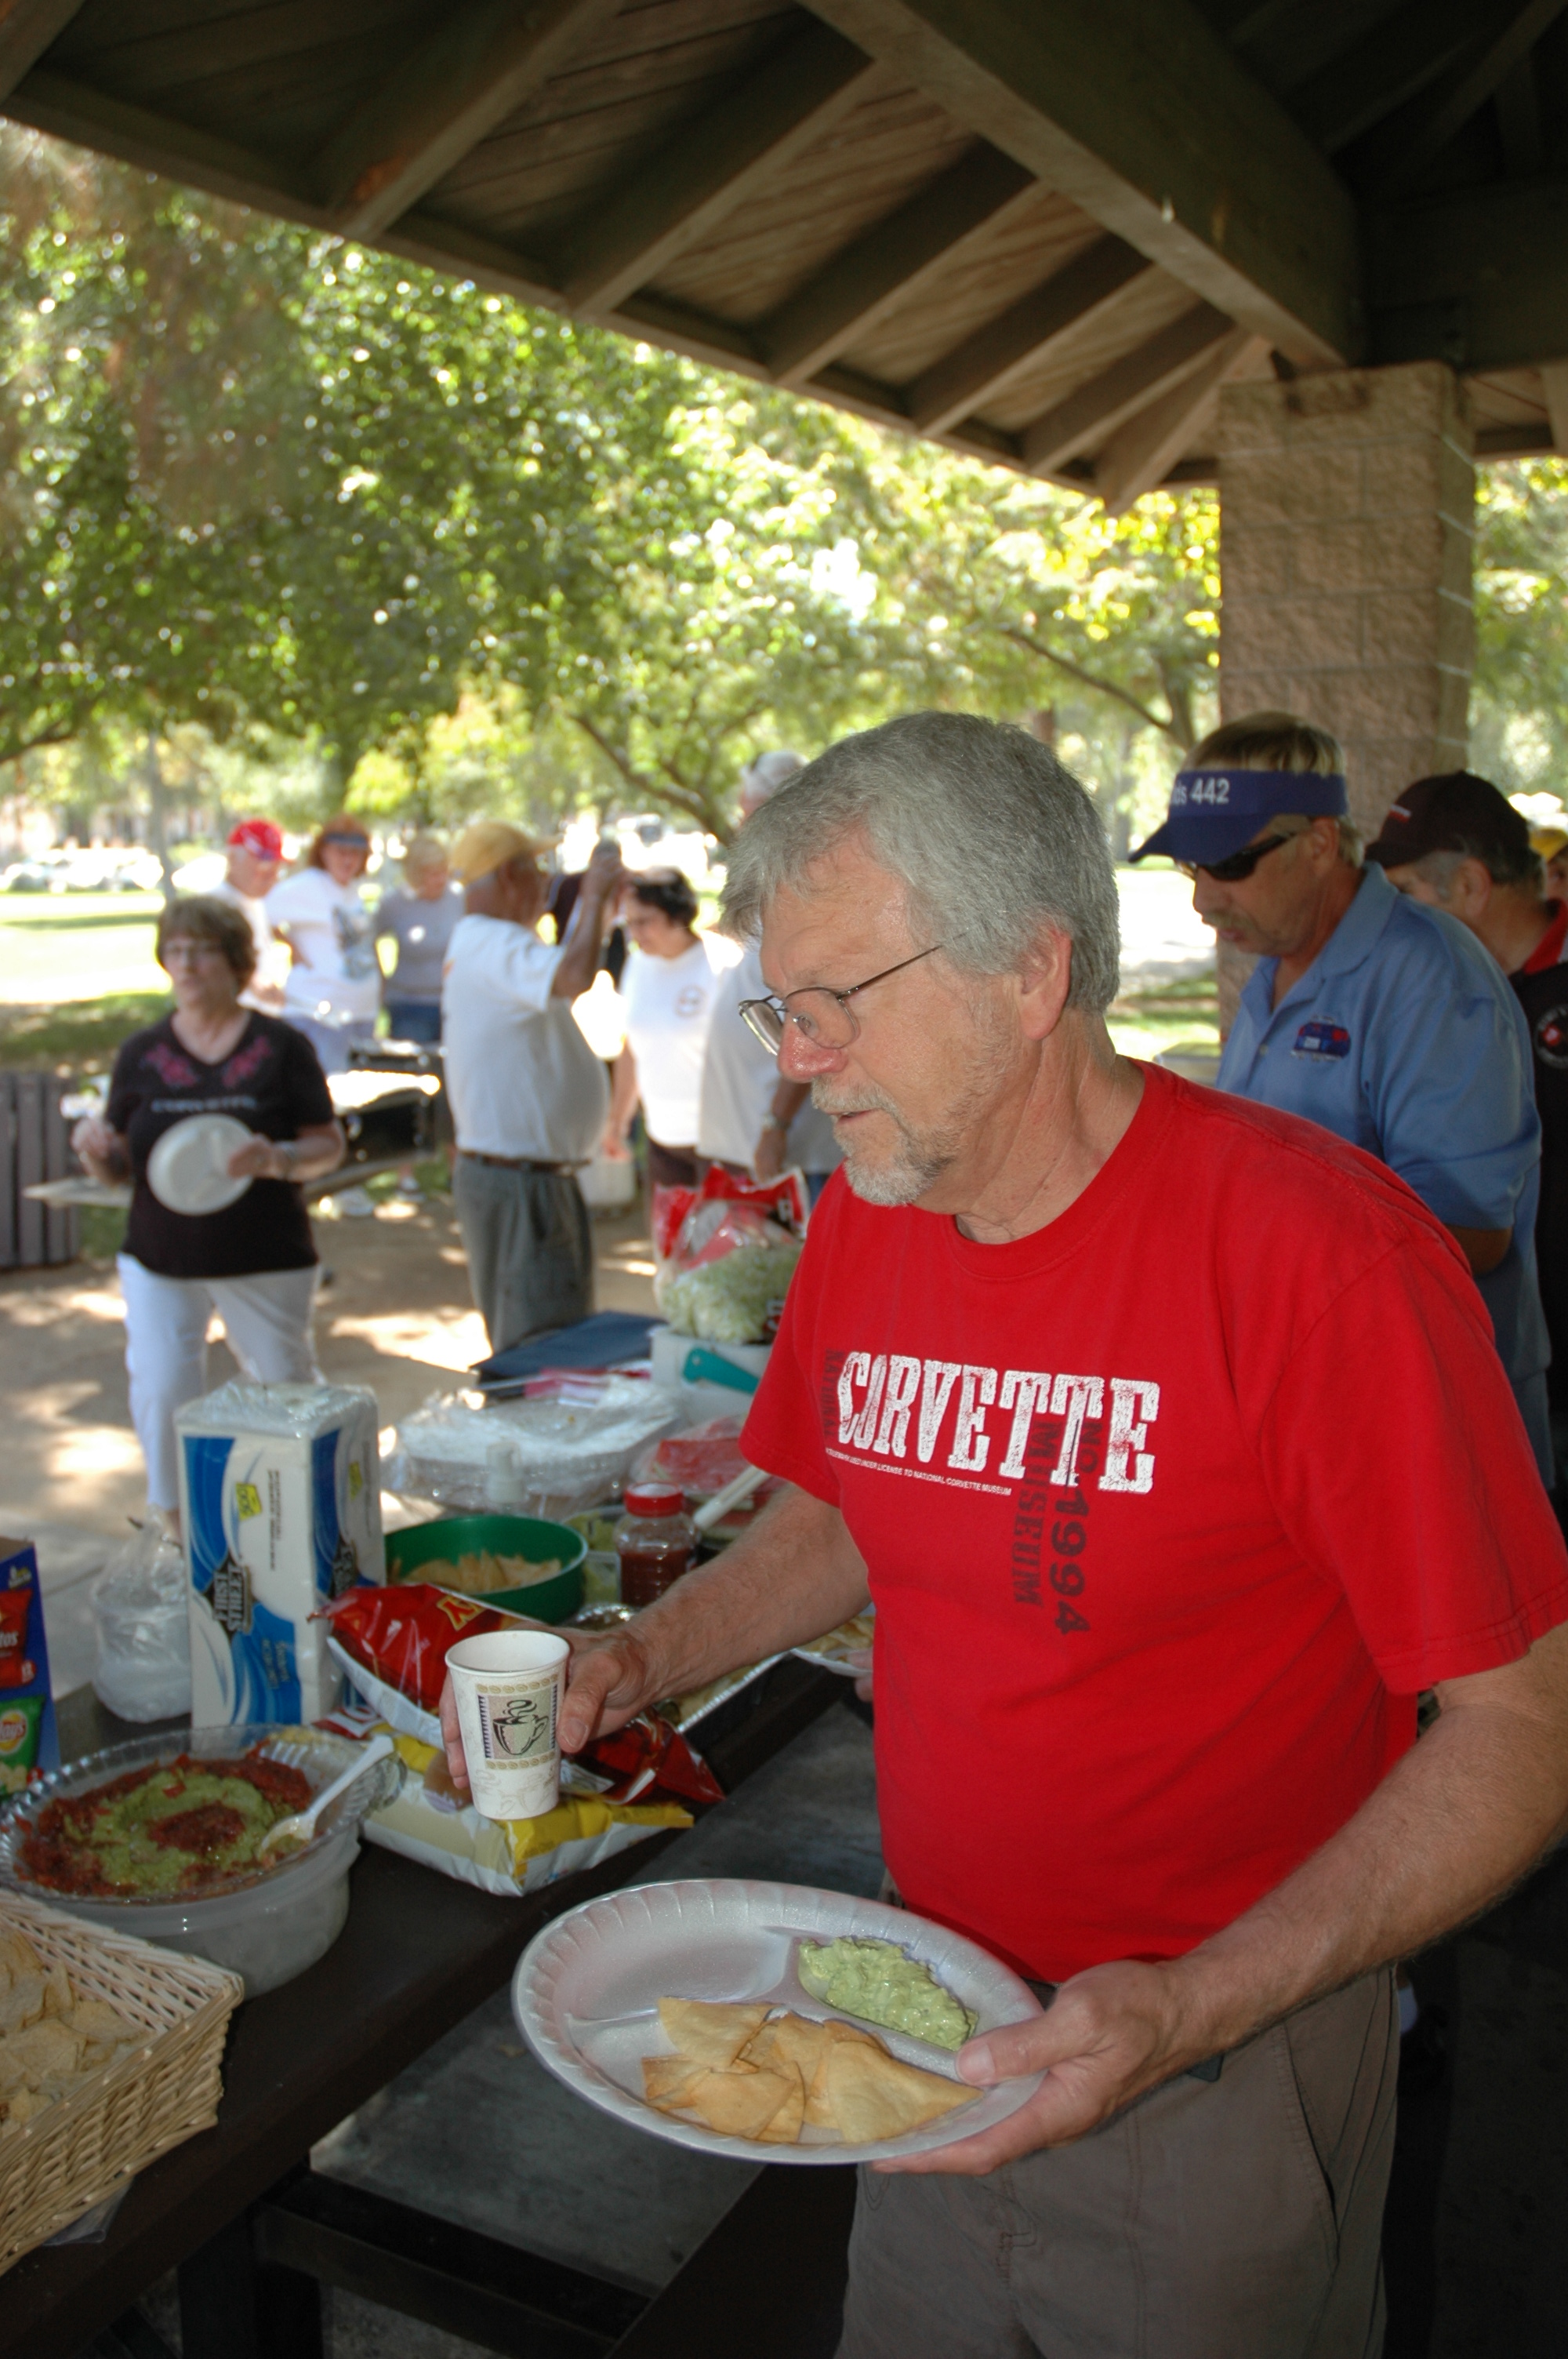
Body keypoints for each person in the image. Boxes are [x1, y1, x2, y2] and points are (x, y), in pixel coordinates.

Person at [440, 712, 1568, 2356]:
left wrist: (1191, 2003)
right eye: (780, 1007)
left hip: (1219, 2071)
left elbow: (1522, 1730)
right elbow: (845, 1513)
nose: (795, 1057)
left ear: (1028, 976)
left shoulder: (1318, 1261)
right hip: (916, 2014)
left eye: (830, 1006)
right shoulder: (879, 1206)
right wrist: (640, 1659)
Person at [1133, 711, 1553, 1485]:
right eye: (1187, 868)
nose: (1202, 901)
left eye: (1226, 862)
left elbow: (1469, 1234)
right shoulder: (1276, 967)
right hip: (1308, 1402)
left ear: (1321, 841)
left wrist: (1241, 1255)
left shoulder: (1429, 975)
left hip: (1433, 1416)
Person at [71, 895, 346, 1525]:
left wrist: (276, 1156)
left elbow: (327, 1146)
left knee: (285, 1383)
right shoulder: (141, 1053)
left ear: (236, 961)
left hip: (264, 1253)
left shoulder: (280, 1046)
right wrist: (94, 1149)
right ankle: (171, 1523)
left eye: (203, 950)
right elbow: (119, 1167)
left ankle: (308, 1516)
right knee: (163, 1386)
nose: (187, 964)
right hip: (161, 1256)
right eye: (176, 950)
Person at [1368, 772, 1568, 1456]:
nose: (1387, 918)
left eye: (1403, 894)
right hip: (1496, 1350)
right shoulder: (1429, 1005)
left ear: (1472, 887)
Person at [442, 822, 624, 1354]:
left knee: (547, 1337)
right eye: (536, 868)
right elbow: (572, 976)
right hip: (523, 1183)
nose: (546, 880)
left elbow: (563, 979)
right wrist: (591, 899)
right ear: (507, 876)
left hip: (526, 1179)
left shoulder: (487, 942)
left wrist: (599, 910)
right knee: (541, 1353)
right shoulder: (490, 940)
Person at [698, 752, 842, 1198]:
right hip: (759, 1147)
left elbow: (812, 1020)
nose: (742, 830)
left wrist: (776, 1126)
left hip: (796, 1155)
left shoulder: (808, 891)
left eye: (748, 816)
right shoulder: (777, 886)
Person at [602, 870, 728, 1190]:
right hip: (661, 1138)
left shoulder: (719, 964)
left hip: (718, 1140)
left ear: (677, 916)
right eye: (629, 923)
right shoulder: (638, 965)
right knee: (669, 1238)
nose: (635, 933)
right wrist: (618, 1121)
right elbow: (633, 1047)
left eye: (644, 922)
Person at [267, 813, 379, 1073]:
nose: (348, 860)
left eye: (356, 853)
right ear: (324, 852)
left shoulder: (353, 890)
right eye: (341, 852)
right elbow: (258, 915)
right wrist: (291, 945)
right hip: (319, 1012)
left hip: (360, 1011)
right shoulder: (304, 887)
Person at [375, 834, 463, 1045]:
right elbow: (369, 940)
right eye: (433, 874)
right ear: (415, 875)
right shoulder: (394, 904)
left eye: (444, 872)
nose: (441, 879)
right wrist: (382, 980)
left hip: (452, 1003)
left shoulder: (459, 900)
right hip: (408, 1006)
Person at [209, 818, 287, 1011]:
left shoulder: (254, 901)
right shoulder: (215, 905)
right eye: (264, 866)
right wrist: (253, 981)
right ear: (233, 859)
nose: (272, 877)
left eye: (277, 868)